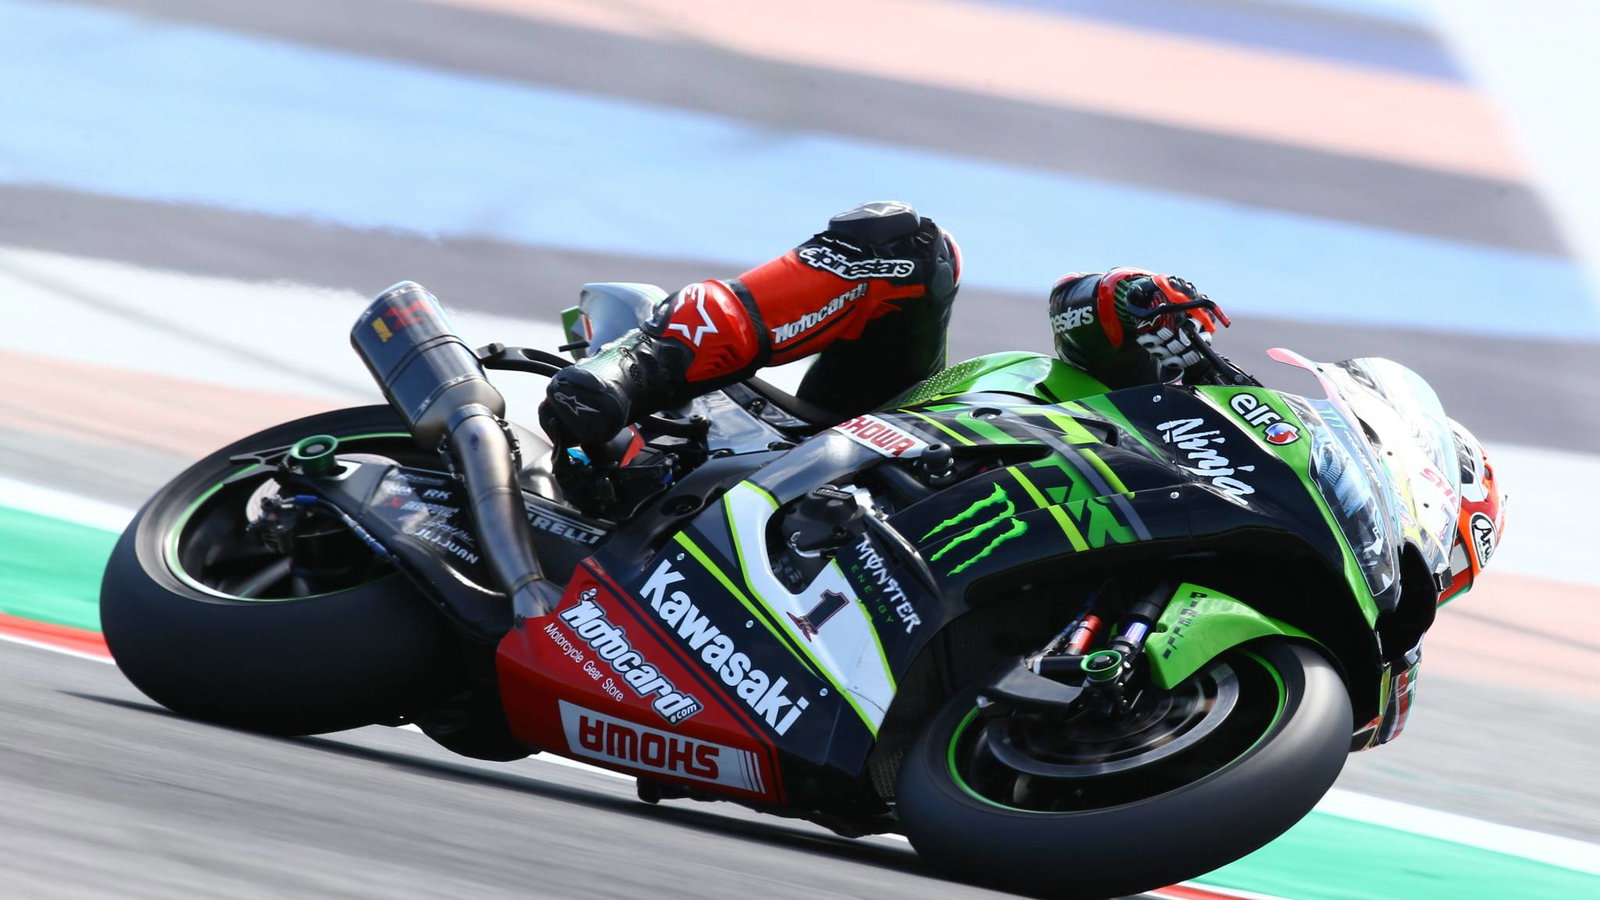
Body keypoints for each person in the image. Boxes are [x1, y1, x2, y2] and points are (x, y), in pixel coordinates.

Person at [540, 200, 1230, 449]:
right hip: (890, 437)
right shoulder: (1215, 410)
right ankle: (639, 364)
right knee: (910, 244)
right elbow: (1079, 311)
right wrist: (1132, 299)